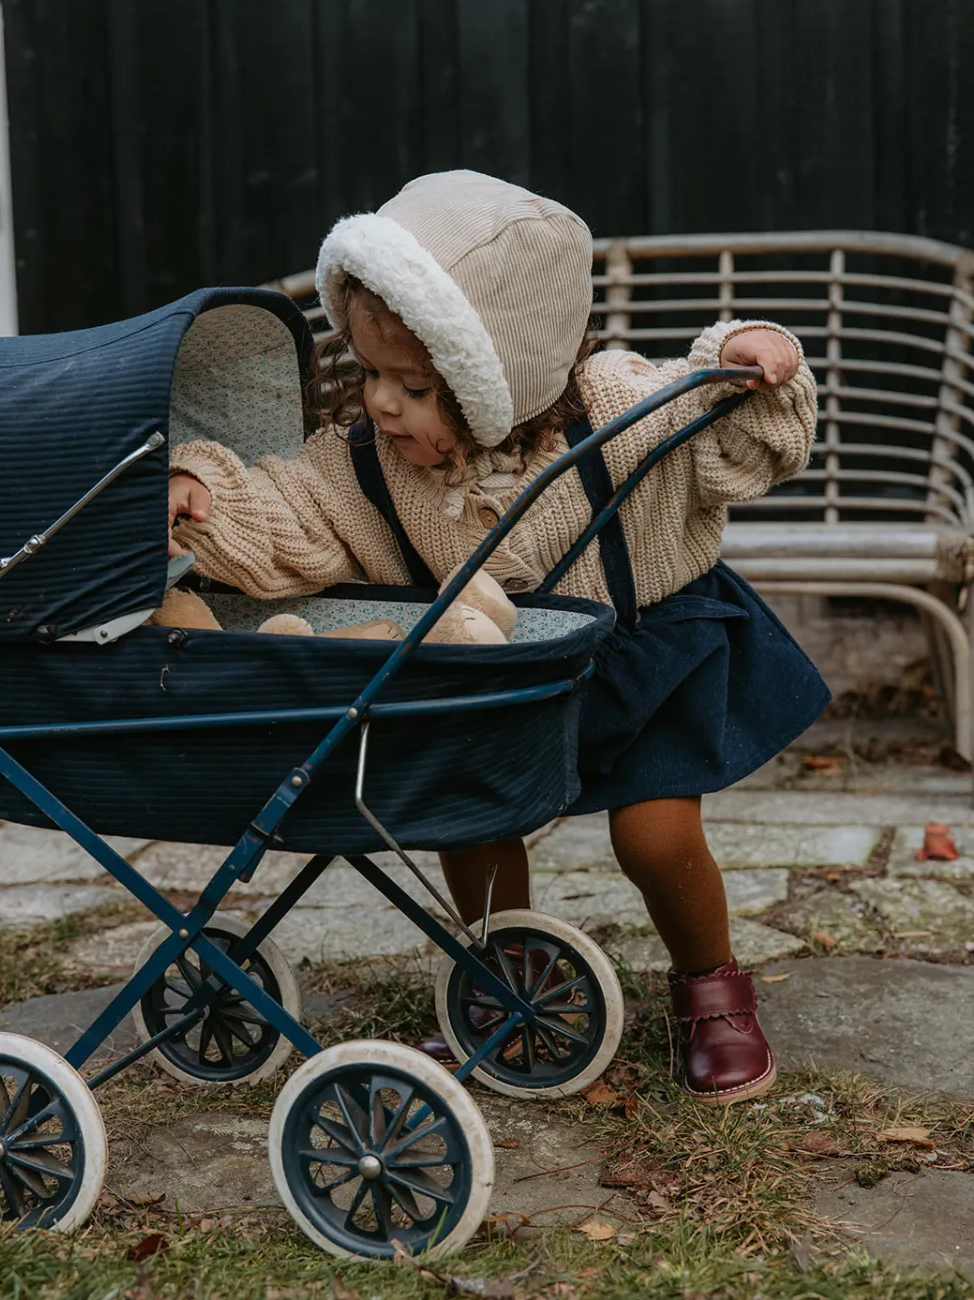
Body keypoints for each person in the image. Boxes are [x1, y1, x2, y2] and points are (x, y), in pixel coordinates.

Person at [168, 170, 830, 1104]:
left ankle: (711, 989)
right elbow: (288, 510)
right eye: (371, 376)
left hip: (648, 653)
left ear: (503, 376)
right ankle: (505, 980)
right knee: (471, 821)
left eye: (415, 385)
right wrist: (202, 493)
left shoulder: (611, 409)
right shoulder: (369, 468)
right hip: (500, 677)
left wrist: (751, 361)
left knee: (654, 835)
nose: (384, 405)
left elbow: (720, 417)